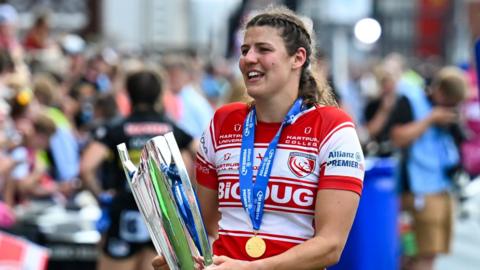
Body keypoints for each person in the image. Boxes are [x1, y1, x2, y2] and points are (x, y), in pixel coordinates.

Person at [153, 6, 365, 270]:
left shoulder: (332, 127)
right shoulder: (222, 122)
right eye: (244, 50)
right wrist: (188, 261)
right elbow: (209, 223)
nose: (248, 58)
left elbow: (331, 245)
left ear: (298, 58)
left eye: (263, 49)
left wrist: (253, 268)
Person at [79, 69, 196, 270]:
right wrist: (186, 197)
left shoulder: (116, 129)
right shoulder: (172, 129)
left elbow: (86, 167)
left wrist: (103, 198)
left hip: (124, 213)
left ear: (128, 94)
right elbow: (202, 158)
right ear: (160, 94)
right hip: (164, 216)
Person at [389, 66, 468, 270]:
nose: (449, 108)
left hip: (442, 188)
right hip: (417, 192)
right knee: (416, 255)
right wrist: (431, 119)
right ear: (439, 90)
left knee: (429, 253)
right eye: (449, 102)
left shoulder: (447, 112)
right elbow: (397, 137)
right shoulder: (411, 100)